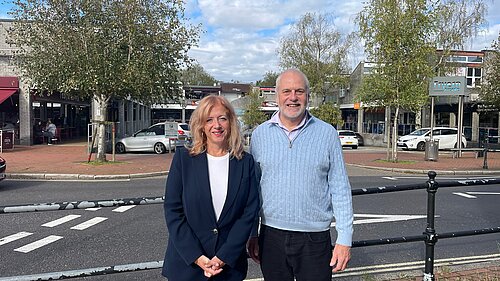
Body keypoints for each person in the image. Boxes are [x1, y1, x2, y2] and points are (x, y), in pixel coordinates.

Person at [247, 68, 354, 281]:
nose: (293, 98)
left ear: (307, 95)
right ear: (277, 96)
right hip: (271, 236)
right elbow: (253, 191)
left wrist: (345, 239)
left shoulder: (327, 134)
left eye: (299, 91)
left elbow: (340, 188)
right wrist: (252, 233)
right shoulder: (259, 135)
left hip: (314, 239)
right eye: (286, 91)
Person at [162, 95, 260, 281]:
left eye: (222, 118)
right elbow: (173, 211)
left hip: (228, 268)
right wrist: (198, 258)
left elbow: (249, 213)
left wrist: (223, 257)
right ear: (201, 125)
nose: (217, 125)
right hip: (187, 267)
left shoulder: (245, 162)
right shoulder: (184, 159)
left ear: (231, 122)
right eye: (209, 119)